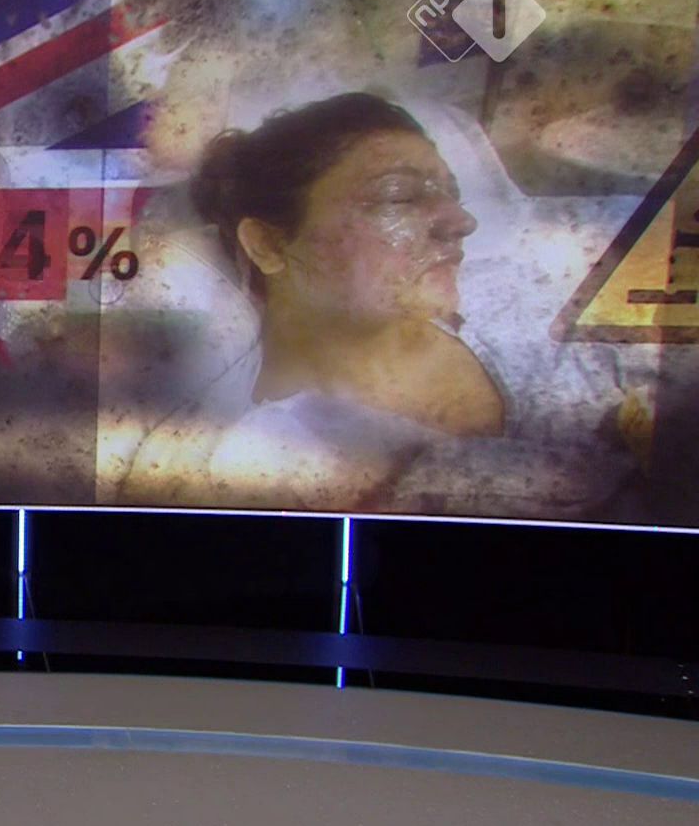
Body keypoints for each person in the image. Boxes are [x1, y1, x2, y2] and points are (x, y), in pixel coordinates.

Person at [122, 92, 635, 515]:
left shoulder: (532, 299)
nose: (461, 222)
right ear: (268, 244)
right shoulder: (239, 465)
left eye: (450, 194)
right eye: (399, 198)